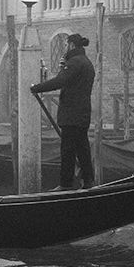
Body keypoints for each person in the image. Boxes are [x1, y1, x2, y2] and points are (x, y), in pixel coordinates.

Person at [30, 33, 96, 191]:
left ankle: (66, 184)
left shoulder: (74, 63)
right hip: (82, 113)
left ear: (72, 45)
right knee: (82, 148)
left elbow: (61, 81)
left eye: (66, 45)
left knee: (68, 150)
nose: (65, 48)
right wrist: (62, 68)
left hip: (71, 114)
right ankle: (88, 181)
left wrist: (37, 88)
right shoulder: (86, 62)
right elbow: (69, 81)